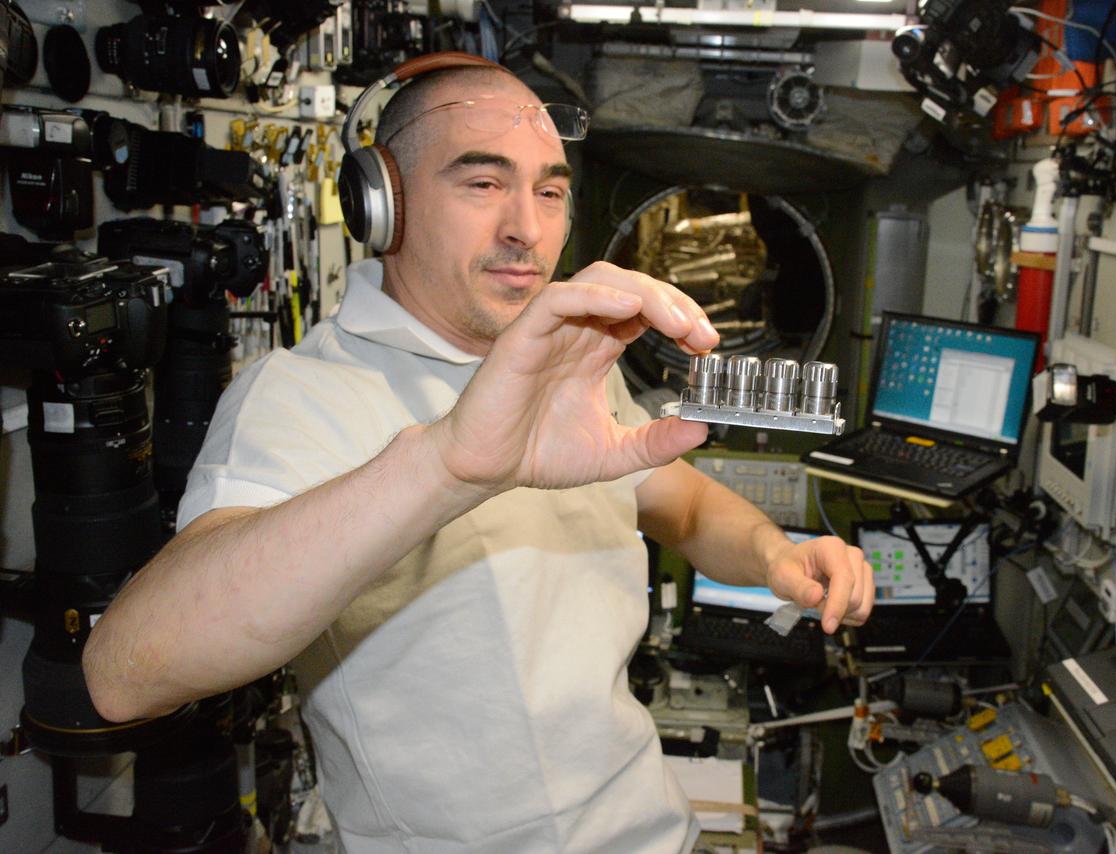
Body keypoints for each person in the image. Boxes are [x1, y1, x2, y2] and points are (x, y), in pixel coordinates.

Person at [83, 54, 874, 853]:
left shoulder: (570, 365)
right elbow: (126, 673)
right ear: (382, 203)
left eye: (550, 192)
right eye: (483, 183)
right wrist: (446, 465)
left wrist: (775, 556)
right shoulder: (299, 396)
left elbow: (685, 505)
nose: (526, 229)